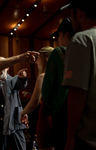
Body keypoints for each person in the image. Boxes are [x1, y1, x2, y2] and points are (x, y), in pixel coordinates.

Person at [60, 0, 96, 149]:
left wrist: (70, 137)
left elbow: (77, 92)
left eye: (71, 15)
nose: (72, 20)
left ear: (79, 13)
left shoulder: (81, 39)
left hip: (88, 138)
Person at [41, 18, 74, 150]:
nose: (57, 39)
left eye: (58, 35)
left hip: (63, 110)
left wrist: (53, 105)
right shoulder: (87, 49)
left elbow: (47, 90)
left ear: (66, 34)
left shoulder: (59, 52)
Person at [0, 56, 28, 150]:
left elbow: (22, 84)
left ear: (7, 67)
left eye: (2, 66)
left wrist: (23, 77)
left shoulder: (14, 80)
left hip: (16, 127)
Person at [20, 46, 54, 150]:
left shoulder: (43, 77)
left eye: (38, 58)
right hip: (59, 120)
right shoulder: (59, 75)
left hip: (46, 120)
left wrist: (22, 113)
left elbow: (34, 103)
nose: (36, 62)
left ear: (45, 58)